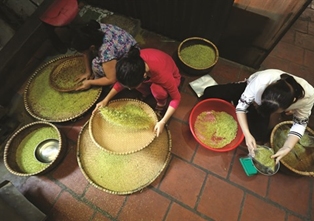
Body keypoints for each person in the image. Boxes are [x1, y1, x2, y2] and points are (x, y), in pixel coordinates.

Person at [201, 69, 314, 164]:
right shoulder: (261, 81)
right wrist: (246, 133)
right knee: (208, 92)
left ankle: (249, 109)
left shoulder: (308, 97)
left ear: (292, 102)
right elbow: (241, 107)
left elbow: (300, 123)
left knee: (258, 134)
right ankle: (238, 94)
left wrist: (287, 147)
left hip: (265, 107)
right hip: (249, 88)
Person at [93, 47, 181, 137]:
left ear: (144, 76)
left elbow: (176, 98)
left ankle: (160, 105)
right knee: (134, 85)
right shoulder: (133, 65)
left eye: (132, 86)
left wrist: (162, 122)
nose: (130, 89)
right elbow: (121, 83)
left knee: (157, 90)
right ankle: (146, 93)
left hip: (173, 77)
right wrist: (105, 100)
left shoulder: (162, 75)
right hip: (149, 76)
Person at [69, 19, 138, 91]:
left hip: (131, 56)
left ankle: (118, 83)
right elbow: (86, 53)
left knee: (95, 65)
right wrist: (88, 72)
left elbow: (111, 79)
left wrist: (90, 82)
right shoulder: (95, 28)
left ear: (92, 47)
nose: (83, 54)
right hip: (127, 44)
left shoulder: (106, 52)